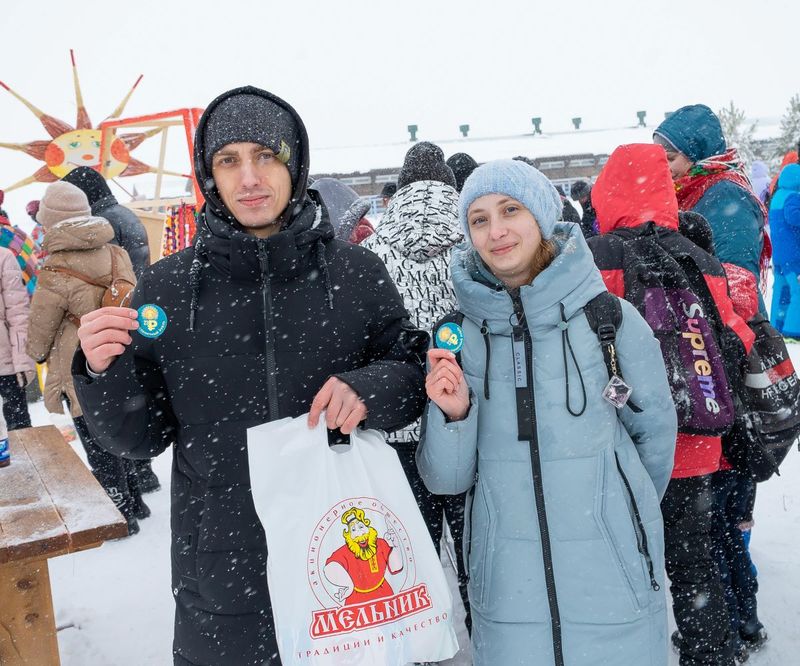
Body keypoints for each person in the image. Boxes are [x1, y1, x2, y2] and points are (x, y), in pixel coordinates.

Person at [71, 85, 428, 666]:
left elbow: (411, 375)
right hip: (220, 578)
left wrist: (369, 388)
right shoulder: (167, 286)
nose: (250, 177)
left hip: (344, 565)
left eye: (266, 155)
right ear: (209, 176)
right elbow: (136, 439)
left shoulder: (356, 272)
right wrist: (100, 369)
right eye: (228, 160)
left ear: (295, 164)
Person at [418, 159, 677, 666]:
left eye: (509, 210)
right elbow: (446, 480)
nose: (496, 231)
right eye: (478, 219)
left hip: (615, 584)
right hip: (509, 598)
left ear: (540, 214)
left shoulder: (609, 319)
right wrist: (453, 415)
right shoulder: (457, 335)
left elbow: (654, 439)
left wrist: (616, 516)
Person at [588, 143, 756, 666]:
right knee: (695, 564)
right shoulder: (700, 258)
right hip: (696, 442)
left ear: (607, 190)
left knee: (620, 564)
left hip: (625, 441)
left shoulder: (596, 257)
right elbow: (734, 339)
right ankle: (710, 653)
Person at [361, 144, 472, 632]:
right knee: (476, 544)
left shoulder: (368, 254)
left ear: (400, 189)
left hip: (396, 424)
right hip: (463, 419)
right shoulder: (476, 244)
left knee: (411, 545)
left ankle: (420, 639)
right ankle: (486, 628)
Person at [26, 181, 146, 534]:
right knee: (120, 433)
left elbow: (40, 333)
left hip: (81, 368)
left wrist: (35, 354)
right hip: (122, 357)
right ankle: (137, 498)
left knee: (96, 440)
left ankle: (121, 515)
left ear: (49, 222)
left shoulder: (54, 269)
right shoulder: (115, 253)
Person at [61, 165, 160, 492]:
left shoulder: (102, 224)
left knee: (124, 398)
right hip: (138, 311)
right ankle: (144, 474)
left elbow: (106, 276)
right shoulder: (127, 215)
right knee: (140, 393)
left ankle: (136, 477)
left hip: (114, 316)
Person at [653, 104, 768, 307]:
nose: (664, 167)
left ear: (696, 152)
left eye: (670, 158)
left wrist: (727, 331)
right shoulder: (691, 191)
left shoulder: (725, 195)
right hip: (706, 315)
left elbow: (737, 278)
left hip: (731, 323)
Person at [0, 246, 35, 429]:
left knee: (19, 432)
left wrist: (22, 359)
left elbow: (18, 314)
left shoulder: (4, 257)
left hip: (5, 365)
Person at [768, 163, 800, 337]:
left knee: (782, 291)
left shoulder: (778, 195)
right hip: (794, 254)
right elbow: (794, 217)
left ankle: (776, 325)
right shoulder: (793, 197)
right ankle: (794, 330)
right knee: (797, 292)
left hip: (780, 254)